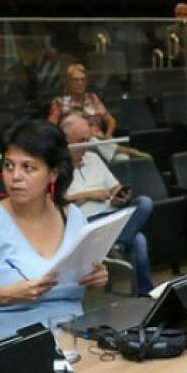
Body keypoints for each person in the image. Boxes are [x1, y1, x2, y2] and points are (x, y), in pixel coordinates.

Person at [0, 120, 108, 344]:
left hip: (74, 341)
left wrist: (97, 279)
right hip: (7, 347)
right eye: (9, 165)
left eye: (28, 167)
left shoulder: (73, 217)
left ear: (53, 174)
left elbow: (78, 289)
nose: (15, 176)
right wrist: (5, 295)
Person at [59, 113, 154, 296]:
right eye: (81, 140)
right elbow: (57, 204)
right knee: (139, 239)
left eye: (88, 139)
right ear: (66, 141)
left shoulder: (93, 159)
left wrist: (120, 195)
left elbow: (114, 186)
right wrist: (89, 194)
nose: (87, 145)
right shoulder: (57, 168)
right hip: (86, 221)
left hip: (110, 213)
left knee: (145, 202)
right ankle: (144, 288)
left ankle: (118, 246)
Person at [46, 63, 117, 137]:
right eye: (75, 80)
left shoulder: (92, 98)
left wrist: (108, 135)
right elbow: (50, 129)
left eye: (83, 79)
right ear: (68, 82)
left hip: (98, 142)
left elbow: (111, 120)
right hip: (76, 145)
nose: (80, 83)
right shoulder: (61, 103)